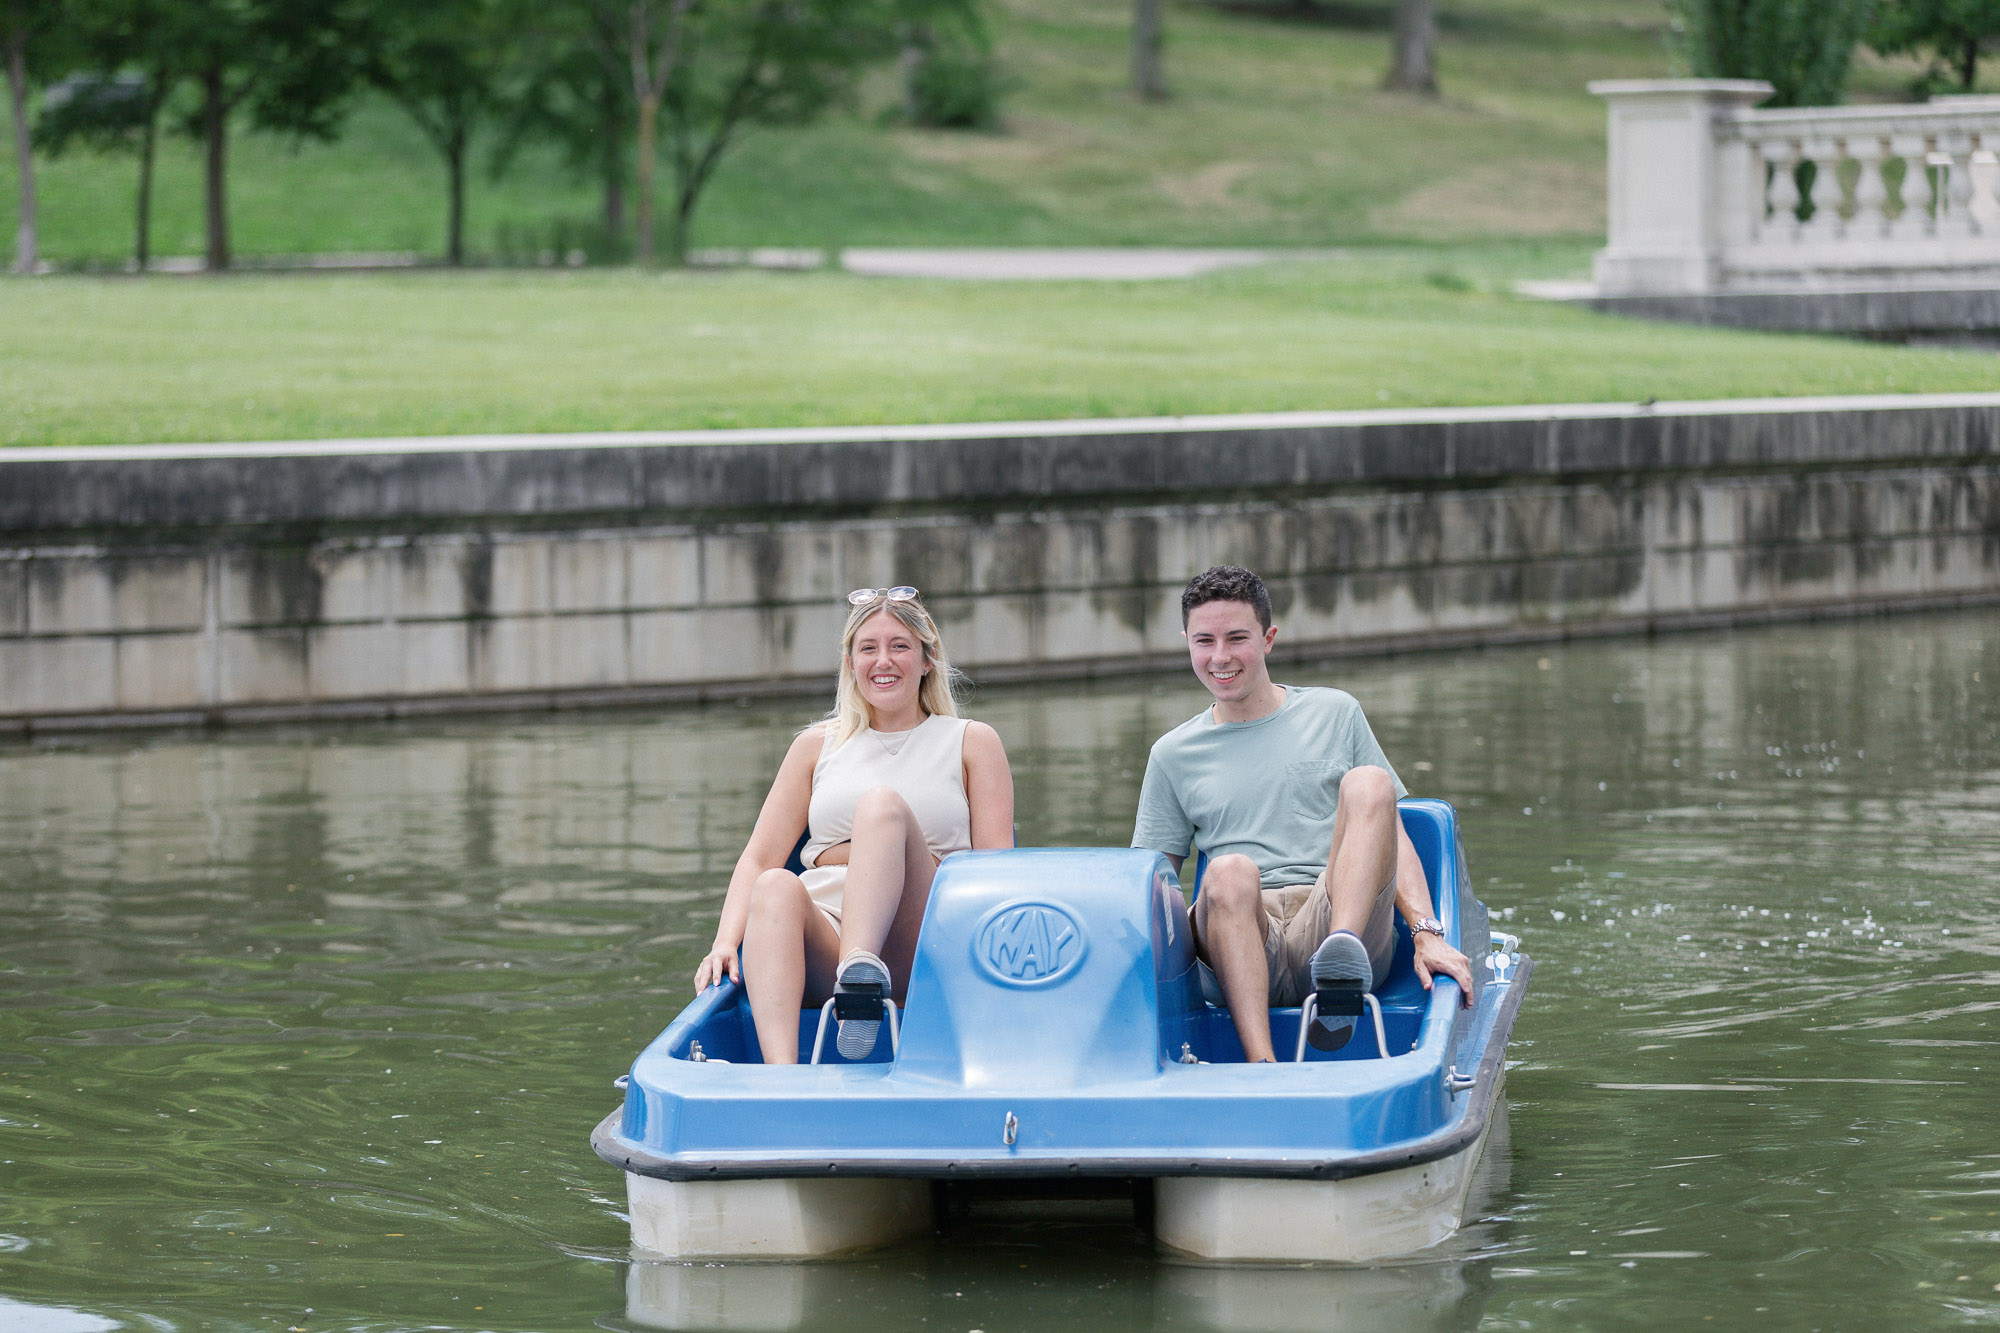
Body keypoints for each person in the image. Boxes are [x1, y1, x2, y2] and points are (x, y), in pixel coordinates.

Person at [1131, 565, 1474, 1062]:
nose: (1220, 657)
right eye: (1204, 640)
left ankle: (1341, 967)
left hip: (1335, 913)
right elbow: (1149, 882)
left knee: (1370, 782)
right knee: (1228, 870)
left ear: (1268, 639)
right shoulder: (1170, 754)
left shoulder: (1336, 712)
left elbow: (1389, 832)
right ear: (1186, 641)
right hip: (1241, 932)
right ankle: (1261, 1065)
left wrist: (1425, 934)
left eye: (1237, 638)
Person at [693, 585, 1014, 1064]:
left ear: (927, 660)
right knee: (776, 885)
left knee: (881, 808)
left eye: (900, 646)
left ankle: (859, 984)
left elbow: (996, 878)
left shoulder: (971, 742)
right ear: (850, 664)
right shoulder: (814, 746)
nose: (883, 661)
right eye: (868, 649)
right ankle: (783, 1080)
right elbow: (759, 857)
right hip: (825, 936)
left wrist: (851, 851)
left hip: (924, 942)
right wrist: (722, 942)